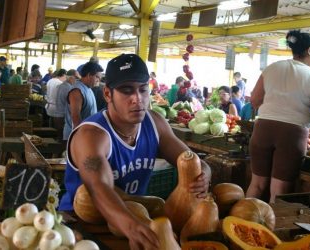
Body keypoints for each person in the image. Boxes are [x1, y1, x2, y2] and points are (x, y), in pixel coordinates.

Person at [59, 54, 211, 249]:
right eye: (126, 90)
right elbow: (98, 188)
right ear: (107, 94)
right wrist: (131, 227)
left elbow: (192, 161)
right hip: (80, 228)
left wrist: (203, 174)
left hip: (136, 219)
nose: (137, 99)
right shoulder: (91, 134)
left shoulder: (155, 123)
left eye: (143, 90)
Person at [246, 30, 310, 203]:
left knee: (257, 184)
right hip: (292, 134)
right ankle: (273, 228)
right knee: (278, 191)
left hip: (263, 129)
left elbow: (255, 100)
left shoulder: (273, 68)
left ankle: (242, 221)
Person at [63, 61, 103, 141]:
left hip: (86, 134)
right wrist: (81, 139)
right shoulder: (77, 91)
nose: (98, 80)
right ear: (89, 75)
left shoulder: (88, 88)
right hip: (76, 137)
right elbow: (75, 118)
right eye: (97, 77)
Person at [55, 69, 78, 145]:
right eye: (76, 78)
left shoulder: (62, 85)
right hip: (62, 116)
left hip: (58, 115)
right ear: (71, 77)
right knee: (64, 143)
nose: (77, 80)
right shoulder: (68, 88)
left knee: (61, 140)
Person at [45, 69, 67, 140]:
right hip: (57, 108)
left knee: (52, 126)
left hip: (49, 106)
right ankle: (57, 141)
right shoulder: (60, 83)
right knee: (59, 129)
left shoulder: (50, 81)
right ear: (63, 75)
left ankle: (51, 139)